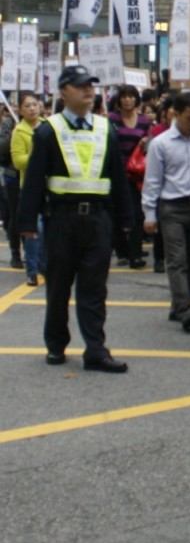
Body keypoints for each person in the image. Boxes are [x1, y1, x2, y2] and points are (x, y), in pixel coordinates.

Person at [18, 65, 133, 372]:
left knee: (94, 289)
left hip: (97, 222)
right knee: (58, 288)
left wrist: (126, 218)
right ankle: (56, 345)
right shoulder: (48, 129)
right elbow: (33, 180)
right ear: (64, 92)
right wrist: (27, 223)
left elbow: (117, 178)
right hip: (60, 222)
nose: (88, 90)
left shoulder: (104, 128)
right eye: (81, 85)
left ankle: (95, 349)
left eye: (91, 85)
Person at [142, 92, 190, 332]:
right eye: (189, 118)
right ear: (175, 114)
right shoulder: (161, 143)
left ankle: (181, 305)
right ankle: (185, 309)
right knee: (176, 261)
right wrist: (149, 214)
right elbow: (152, 181)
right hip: (172, 207)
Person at [107, 84, 152, 268]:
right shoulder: (110, 119)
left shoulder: (144, 121)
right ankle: (122, 251)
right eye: (124, 96)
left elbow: (151, 143)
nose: (127, 100)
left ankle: (135, 254)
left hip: (136, 174)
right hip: (115, 173)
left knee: (136, 214)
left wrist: (146, 142)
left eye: (131, 96)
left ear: (136, 99)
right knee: (116, 214)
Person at [10, 92, 46, 286]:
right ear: (20, 110)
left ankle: (45, 265)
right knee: (33, 230)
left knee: (48, 230)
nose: (32, 108)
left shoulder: (47, 127)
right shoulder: (19, 132)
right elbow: (17, 161)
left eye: (34, 104)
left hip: (49, 187)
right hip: (30, 187)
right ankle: (31, 270)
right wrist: (35, 154)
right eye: (27, 106)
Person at [0, 104, 23, 270]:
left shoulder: (41, 125)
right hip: (11, 172)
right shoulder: (9, 124)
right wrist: (14, 133)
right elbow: (2, 150)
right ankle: (15, 253)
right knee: (15, 213)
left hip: (31, 174)